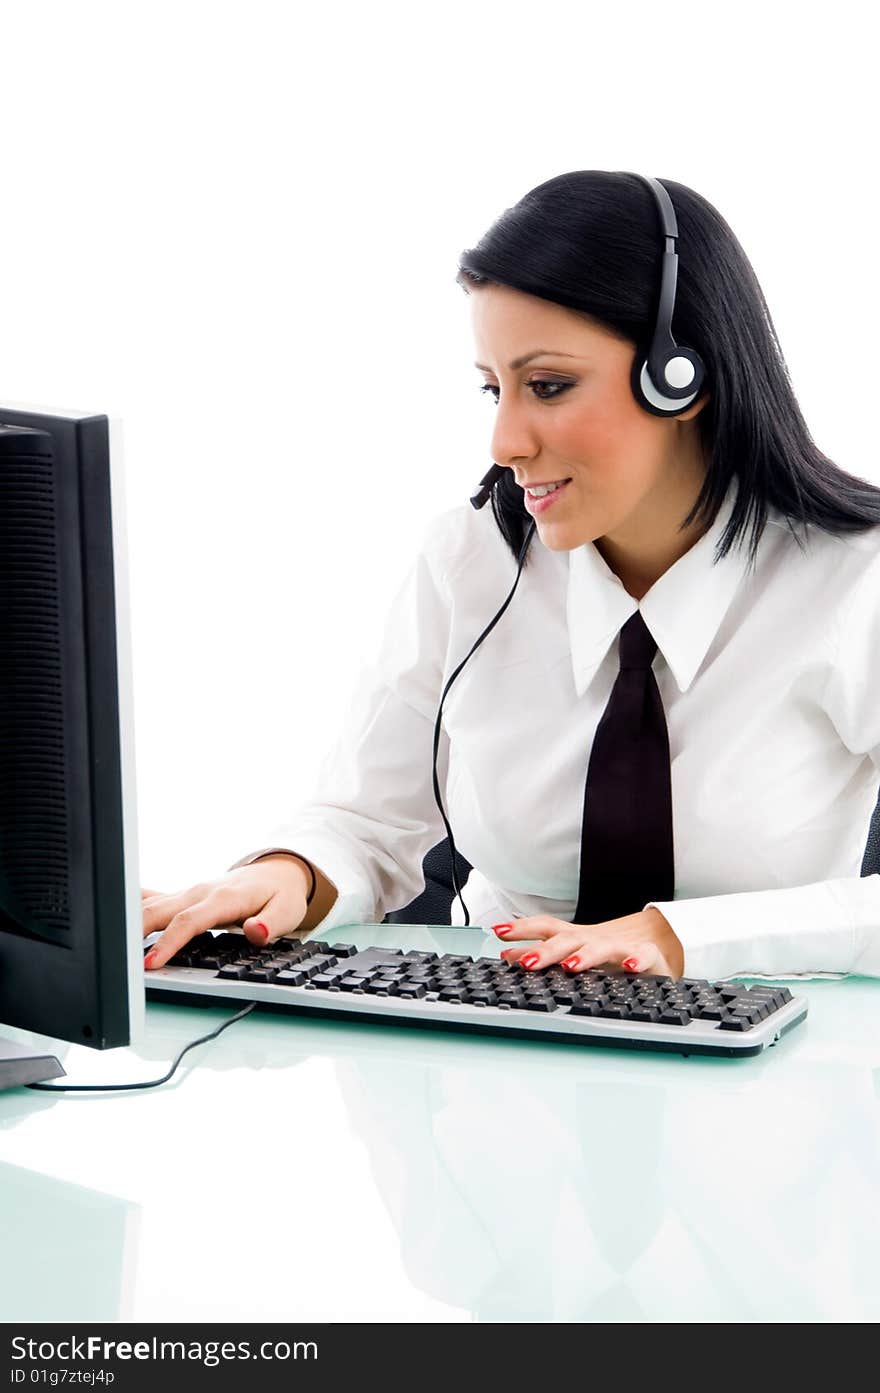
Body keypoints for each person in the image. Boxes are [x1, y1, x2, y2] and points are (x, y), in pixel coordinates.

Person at [143, 170, 880, 982]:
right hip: (502, 1056)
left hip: (776, 1072)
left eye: (549, 386)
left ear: (682, 376)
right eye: (494, 389)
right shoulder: (471, 562)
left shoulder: (853, 579)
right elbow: (366, 822)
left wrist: (680, 939)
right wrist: (283, 876)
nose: (504, 441)